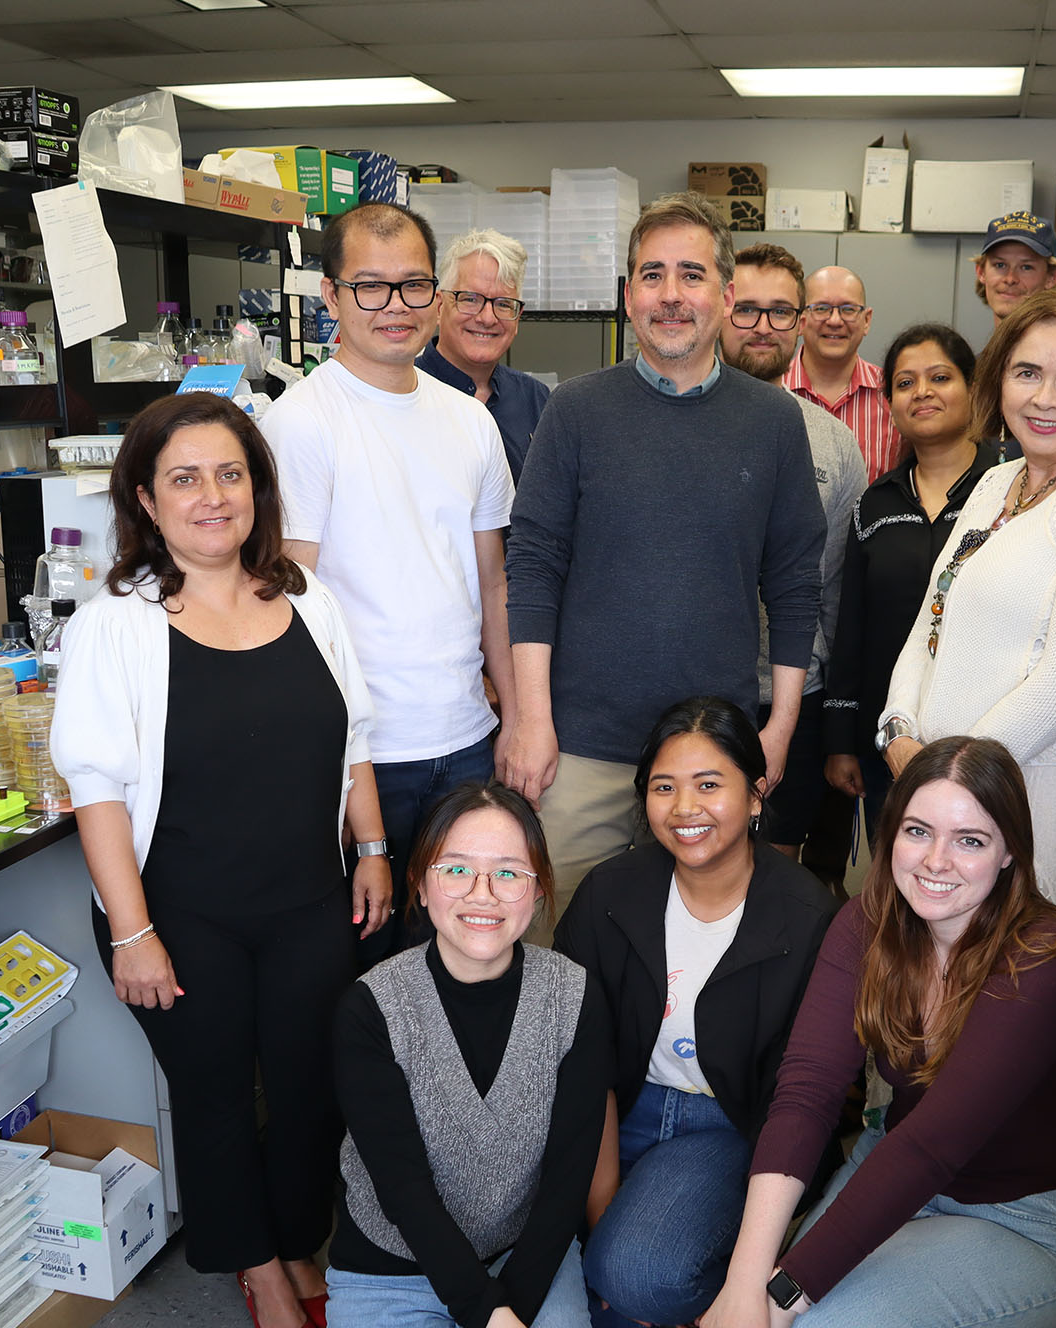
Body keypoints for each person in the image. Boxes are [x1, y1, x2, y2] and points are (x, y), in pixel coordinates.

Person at [51, 392, 390, 1328]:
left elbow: (355, 737)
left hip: (305, 899)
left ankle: (293, 1238)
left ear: (258, 488)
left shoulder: (306, 597)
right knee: (211, 1091)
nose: (212, 496)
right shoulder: (116, 623)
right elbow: (98, 787)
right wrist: (131, 930)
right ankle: (255, 1265)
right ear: (147, 502)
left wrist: (370, 847)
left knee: (311, 1083)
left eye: (230, 474)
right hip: (178, 910)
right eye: (185, 478)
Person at [697, 737, 1056, 1328]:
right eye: (918, 831)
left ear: (1010, 853)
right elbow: (807, 1094)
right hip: (890, 1172)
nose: (937, 862)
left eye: (970, 840)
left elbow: (929, 1150)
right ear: (892, 835)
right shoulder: (868, 923)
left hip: (1020, 1222)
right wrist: (746, 1279)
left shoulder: (1046, 958)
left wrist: (781, 1295)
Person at [505, 192, 825, 930]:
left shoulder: (774, 422)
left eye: (691, 274)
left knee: (688, 961)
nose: (671, 295)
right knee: (559, 954)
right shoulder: (576, 411)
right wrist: (531, 719)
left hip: (710, 760)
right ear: (628, 296)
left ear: (725, 293)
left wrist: (774, 730)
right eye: (652, 275)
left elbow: (795, 583)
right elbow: (534, 564)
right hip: (580, 750)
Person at [262, 201, 516, 962]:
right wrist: (335, 767)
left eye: (413, 286)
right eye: (370, 287)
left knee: (465, 956)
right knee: (369, 970)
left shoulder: (471, 421)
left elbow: (493, 584)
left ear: (437, 297)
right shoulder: (302, 422)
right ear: (332, 297)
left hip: (467, 740)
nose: (395, 307)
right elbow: (289, 607)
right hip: (364, 753)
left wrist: (516, 722)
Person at [554, 697, 837, 1328]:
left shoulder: (809, 917)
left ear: (756, 793)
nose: (686, 808)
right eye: (664, 787)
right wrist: (602, 1213)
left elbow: (803, 1102)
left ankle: (728, 1275)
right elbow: (580, 1065)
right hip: (618, 1107)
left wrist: (612, 1259)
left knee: (633, 1276)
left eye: (710, 785)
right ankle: (640, 1274)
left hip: (727, 1125)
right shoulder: (610, 893)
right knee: (607, 1326)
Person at [327, 782, 609, 1328]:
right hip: (393, 1265)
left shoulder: (574, 996)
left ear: (539, 889)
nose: (482, 895)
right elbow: (407, 1200)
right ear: (421, 886)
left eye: (508, 873)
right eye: (456, 869)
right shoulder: (369, 1010)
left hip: (523, 1257)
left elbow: (565, 1191)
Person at [879, 290, 1056, 919]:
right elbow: (932, 619)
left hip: (1028, 800)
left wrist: (943, 780)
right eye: (1027, 372)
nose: (1045, 398)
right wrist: (898, 729)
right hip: (939, 797)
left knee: (1008, 990)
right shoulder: (993, 483)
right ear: (1000, 380)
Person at [719, 242, 867, 861]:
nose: (763, 327)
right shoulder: (670, 428)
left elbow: (836, 594)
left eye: (780, 312)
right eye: (746, 309)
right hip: (695, 696)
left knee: (774, 874)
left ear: (800, 322)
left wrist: (832, 721)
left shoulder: (836, 447)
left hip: (792, 702)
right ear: (720, 306)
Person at [822, 324, 982, 839]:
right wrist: (842, 740)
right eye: (905, 383)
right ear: (890, 402)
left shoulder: (1010, 492)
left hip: (987, 731)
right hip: (888, 737)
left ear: (973, 390)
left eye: (940, 377)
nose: (923, 392)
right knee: (899, 876)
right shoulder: (874, 504)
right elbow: (851, 630)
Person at [418, 227, 552, 482]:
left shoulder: (536, 400)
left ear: (518, 317)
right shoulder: (402, 390)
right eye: (470, 299)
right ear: (438, 306)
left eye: (503, 304)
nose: (487, 318)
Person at [784, 266, 900, 481]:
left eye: (848, 309)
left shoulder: (895, 394)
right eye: (821, 308)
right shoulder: (771, 391)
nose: (835, 321)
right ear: (801, 319)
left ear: (866, 320)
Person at [973, 212, 1056, 325]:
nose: (1010, 279)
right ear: (981, 272)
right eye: (1000, 265)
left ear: (1052, 277)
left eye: (1026, 267)